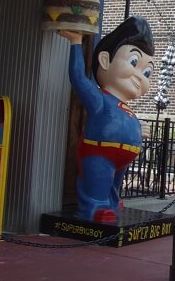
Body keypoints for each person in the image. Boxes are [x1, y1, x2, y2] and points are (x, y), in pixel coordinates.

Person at [58, 16, 155, 222]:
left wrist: (139, 128)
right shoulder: (100, 98)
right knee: (98, 183)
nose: (140, 76)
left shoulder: (125, 107)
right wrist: (76, 42)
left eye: (147, 72)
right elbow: (78, 77)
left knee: (112, 186)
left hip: (122, 159)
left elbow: (123, 122)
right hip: (99, 152)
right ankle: (94, 207)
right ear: (104, 60)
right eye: (134, 62)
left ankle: (111, 200)